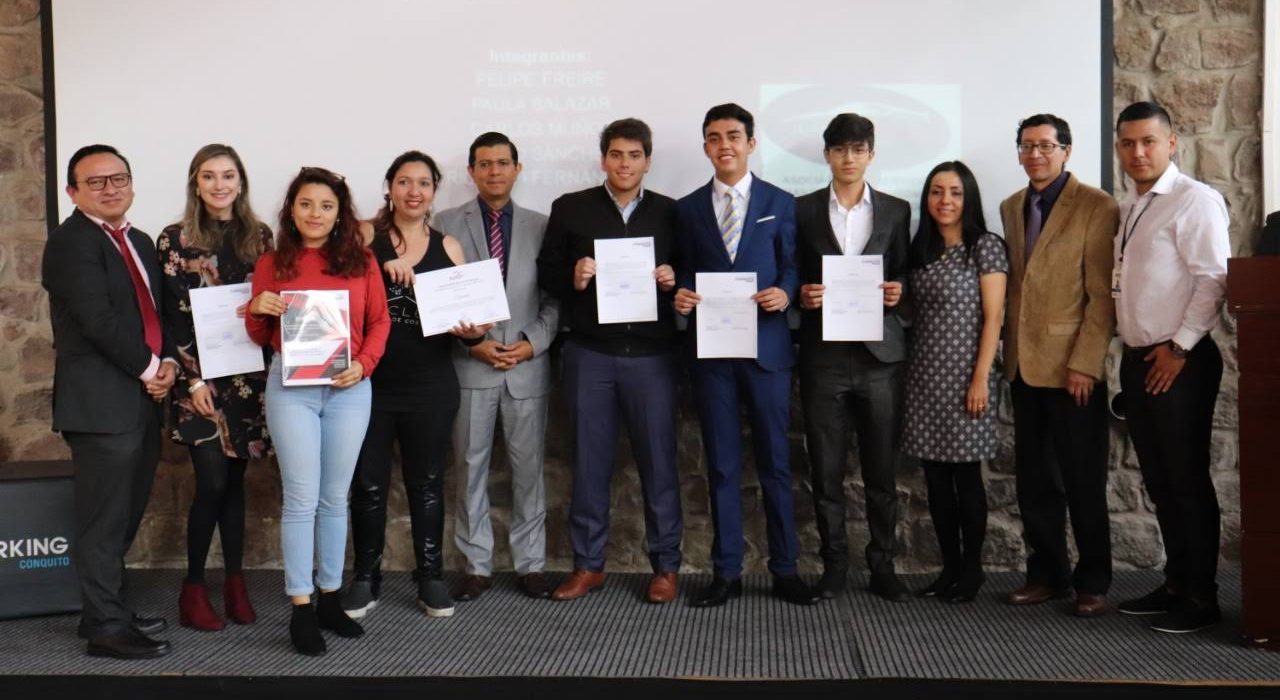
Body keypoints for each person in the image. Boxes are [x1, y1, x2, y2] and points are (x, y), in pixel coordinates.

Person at [673, 103, 816, 608]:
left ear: (751, 143)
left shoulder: (782, 202)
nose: (724, 145)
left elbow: (793, 267)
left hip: (767, 351)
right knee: (722, 467)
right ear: (706, 147)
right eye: (714, 137)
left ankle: (786, 569)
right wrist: (681, 293)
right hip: (713, 356)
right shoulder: (687, 209)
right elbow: (683, 270)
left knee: (776, 464)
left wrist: (786, 292)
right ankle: (726, 571)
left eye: (733, 136)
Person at [537, 118, 684, 604]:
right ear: (603, 159)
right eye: (616, 154)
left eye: (634, 155)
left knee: (659, 463)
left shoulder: (671, 212)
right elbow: (546, 273)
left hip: (653, 356)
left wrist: (673, 279)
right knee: (589, 463)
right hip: (590, 354)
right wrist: (574, 275)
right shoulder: (570, 207)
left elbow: (691, 275)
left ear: (648, 161)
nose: (625, 164)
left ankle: (666, 566)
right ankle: (588, 564)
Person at [245, 166, 390, 656]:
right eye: (306, 204)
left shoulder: (361, 261)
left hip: (349, 389)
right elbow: (259, 335)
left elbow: (380, 321)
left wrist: (364, 364)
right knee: (301, 499)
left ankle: (330, 596)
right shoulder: (272, 262)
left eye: (326, 206)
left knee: (334, 499)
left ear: (339, 213)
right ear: (291, 209)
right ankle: (301, 607)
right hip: (292, 390)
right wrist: (257, 309)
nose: (315, 214)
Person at [43, 144, 177, 659]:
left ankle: (107, 609)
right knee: (103, 522)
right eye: (95, 181)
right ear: (72, 192)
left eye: (118, 178)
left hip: (141, 398)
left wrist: (168, 362)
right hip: (100, 405)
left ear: (131, 183)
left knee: (124, 515)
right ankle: (106, 628)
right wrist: (150, 369)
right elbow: (98, 321)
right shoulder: (70, 243)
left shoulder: (138, 241)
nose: (110, 188)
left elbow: (156, 313)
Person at [341, 151, 488, 620]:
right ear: (390, 187)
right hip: (370, 384)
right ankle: (365, 578)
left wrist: (474, 333)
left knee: (427, 484)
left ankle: (430, 578)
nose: (413, 191)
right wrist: (383, 266)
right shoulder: (364, 237)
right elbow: (340, 291)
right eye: (404, 181)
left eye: (423, 183)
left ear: (433, 191)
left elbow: (468, 326)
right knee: (368, 486)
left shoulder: (450, 248)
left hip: (431, 385)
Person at [1112, 101, 1230, 634]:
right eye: (1128, 143)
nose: (1138, 152)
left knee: (1186, 480)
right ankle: (1178, 583)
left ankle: (1202, 599)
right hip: (1141, 359)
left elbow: (1213, 279)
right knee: (1160, 481)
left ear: (1172, 143)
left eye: (1148, 141)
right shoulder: (1133, 205)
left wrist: (1179, 348)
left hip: (1179, 361)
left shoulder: (1194, 199)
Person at [998, 114, 1119, 617]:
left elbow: (1101, 296)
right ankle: (1047, 574)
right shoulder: (1011, 206)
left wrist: (1086, 363)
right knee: (1035, 481)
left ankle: (1093, 581)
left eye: (1046, 145)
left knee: (1082, 479)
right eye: (1027, 146)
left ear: (1066, 151)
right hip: (1023, 367)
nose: (1036, 154)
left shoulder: (1096, 205)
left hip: (1074, 370)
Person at [438, 133, 560, 601]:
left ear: (517, 168)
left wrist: (531, 344)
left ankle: (531, 564)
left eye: (503, 163)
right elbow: (439, 297)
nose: (494, 171)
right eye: (485, 164)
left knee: (529, 471)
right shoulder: (445, 223)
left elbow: (554, 300)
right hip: (470, 366)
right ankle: (476, 566)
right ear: (471, 171)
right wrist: (474, 345)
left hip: (527, 368)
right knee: (470, 468)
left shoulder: (543, 225)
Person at [795, 113, 912, 602]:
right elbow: (791, 273)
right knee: (825, 472)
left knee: (881, 471)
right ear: (827, 154)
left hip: (879, 359)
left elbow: (904, 273)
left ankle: (882, 565)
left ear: (871, 154)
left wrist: (897, 292)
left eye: (858, 149)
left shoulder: (896, 211)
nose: (849, 158)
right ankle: (835, 565)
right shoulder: (801, 209)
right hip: (822, 357)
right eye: (840, 149)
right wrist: (802, 295)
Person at [158, 144, 273, 631]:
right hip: (197, 381)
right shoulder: (174, 239)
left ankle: (234, 583)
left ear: (240, 181)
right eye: (209, 176)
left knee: (235, 483)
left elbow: (268, 302)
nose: (219, 185)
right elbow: (172, 316)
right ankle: (193, 588)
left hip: (247, 378)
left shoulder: (259, 236)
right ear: (196, 183)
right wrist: (193, 380)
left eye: (228, 175)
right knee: (212, 482)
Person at [902, 161, 1008, 604]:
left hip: (968, 378)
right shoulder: (920, 249)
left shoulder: (985, 247)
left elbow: (994, 318)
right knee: (936, 482)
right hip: (924, 379)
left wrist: (980, 378)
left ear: (969, 198)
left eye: (955, 192)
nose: (945, 200)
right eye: (937, 191)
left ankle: (972, 570)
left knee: (966, 479)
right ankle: (948, 568)